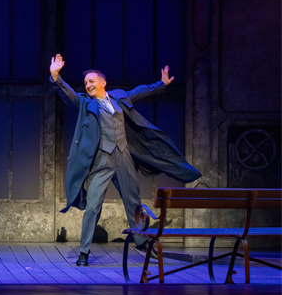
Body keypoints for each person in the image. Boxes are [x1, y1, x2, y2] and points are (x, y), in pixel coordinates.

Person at [49, 54, 201, 267]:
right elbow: (69, 95)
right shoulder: (85, 103)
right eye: (85, 83)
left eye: (91, 81)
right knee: (93, 206)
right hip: (101, 161)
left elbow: (139, 91)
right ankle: (84, 252)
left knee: (133, 203)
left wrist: (161, 84)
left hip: (123, 157)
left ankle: (142, 242)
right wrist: (56, 77)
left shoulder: (119, 97)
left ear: (103, 83)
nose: (88, 85)